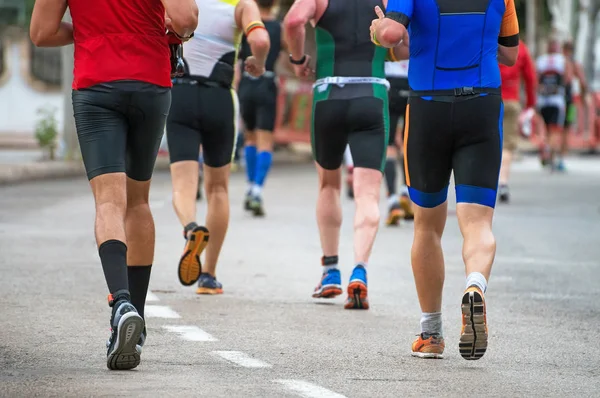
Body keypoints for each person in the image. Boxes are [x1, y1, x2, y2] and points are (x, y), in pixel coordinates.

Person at [30, 0, 198, 370]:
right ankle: (135, 322)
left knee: (109, 201)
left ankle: (120, 304)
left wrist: (91, 34)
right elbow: (185, 19)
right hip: (149, 80)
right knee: (138, 201)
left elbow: (41, 33)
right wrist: (175, 31)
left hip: (95, 82)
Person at [371, 0, 519, 359]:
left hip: (429, 108)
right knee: (478, 222)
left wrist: (380, 33)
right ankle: (475, 285)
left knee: (426, 225)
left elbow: (393, 34)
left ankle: (431, 333)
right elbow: (510, 54)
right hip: (482, 104)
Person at [284, 0, 404, 310]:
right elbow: (404, 44)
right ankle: (360, 271)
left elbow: (294, 20)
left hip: (329, 96)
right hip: (372, 97)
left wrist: (298, 58)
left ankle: (330, 272)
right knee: (367, 193)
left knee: (328, 185)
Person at [166, 0, 270, 294]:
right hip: (219, 99)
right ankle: (208, 276)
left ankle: (190, 228)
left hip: (180, 95)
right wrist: (258, 63)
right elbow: (260, 39)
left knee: (183, 184)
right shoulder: (241, 4)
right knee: (218, 189)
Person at [239, 0, 285, 217]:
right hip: (267, 83)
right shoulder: (278, 28)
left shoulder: (246, 26)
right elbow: (288, 49)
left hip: (246, 84)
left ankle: (249, 186)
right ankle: (257, 190)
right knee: (265, 141)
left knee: (249, 138)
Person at [498, 40, 537, 203]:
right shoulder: (520, 47)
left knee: (486, 142)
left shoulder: (489, 39)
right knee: (508, 145)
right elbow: (530, 78)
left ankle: (485, 183)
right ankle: (503, 182)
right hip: (512, 101)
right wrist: (530, 104)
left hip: (488, 98)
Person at [384, 59, 414, 224]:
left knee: (388, 146)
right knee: (407, 142)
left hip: (390, 83)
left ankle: (393, 202)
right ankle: (406, 192)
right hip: (411, 82)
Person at [536, 39, 573, 172]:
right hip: (557, 101)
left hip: (543, 101)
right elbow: (568, 79)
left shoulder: (540, 60)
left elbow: (536, 79)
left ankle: (546, 148)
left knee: (546, 129)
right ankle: (550, 153)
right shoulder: (563, 60)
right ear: (557, 48)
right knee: (555, 130)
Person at [563, 41, 589, 155]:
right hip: (572, 98)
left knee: (555, 126)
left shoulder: (560, 61)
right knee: (567, 125)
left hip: (558, 97)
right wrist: (584, 97)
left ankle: (554, 152)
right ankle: (562, 153)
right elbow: (583, 82)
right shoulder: (575, 63)